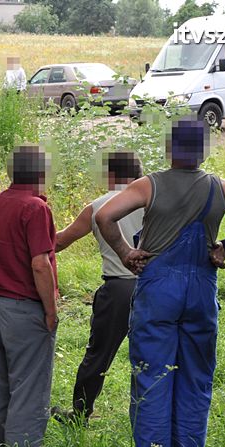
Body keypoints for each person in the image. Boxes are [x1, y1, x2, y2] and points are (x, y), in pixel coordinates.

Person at [95, 118, 225, 447]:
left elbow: (104, 215)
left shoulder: (150, 185)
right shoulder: (220, 188)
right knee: (195, 380)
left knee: (152, 380)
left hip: (159, 291)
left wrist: (126, 253)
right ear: (203, 152)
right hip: (200, 292)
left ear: (169, 149)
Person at [0, 144, 58, 447]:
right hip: (24, 308)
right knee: (28, 386)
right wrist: (50, 310)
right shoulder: (35, 208)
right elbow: (40, 264)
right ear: (40, 173)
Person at [51, 151, 145, 425]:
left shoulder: (99, 206)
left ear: (111, 174)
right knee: (154, 354)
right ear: (138, 172)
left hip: (117, 290)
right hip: (156, 287)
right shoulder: (155, 201)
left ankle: (80, 413)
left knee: (98, 355)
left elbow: (58, 242)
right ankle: (150, 417)